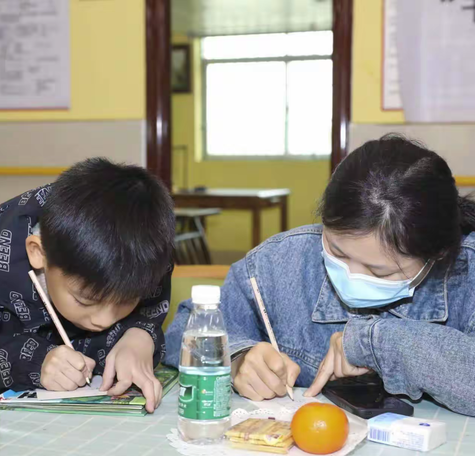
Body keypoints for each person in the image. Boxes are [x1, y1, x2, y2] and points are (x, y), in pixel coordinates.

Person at [165, 134, 475, 416]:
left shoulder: (467, 272)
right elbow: (183, 331)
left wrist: (376, 342)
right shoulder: (278, 263)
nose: (351, 276)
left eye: (379, 271)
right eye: (337, 253)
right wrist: (237, 358)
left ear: (438, 254)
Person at [0, 158, 174, 412]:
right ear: (38, 253)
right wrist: (34, 361)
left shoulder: (146, 252)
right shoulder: (1, 254)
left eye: (125, 300)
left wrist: (140, 335)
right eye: (85, 300)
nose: (102, 320)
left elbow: (149, 310)